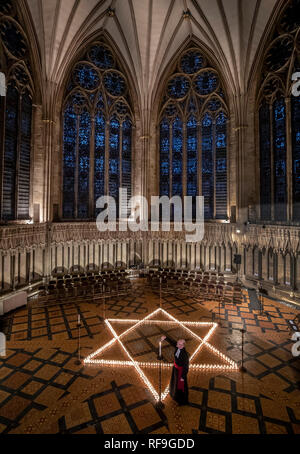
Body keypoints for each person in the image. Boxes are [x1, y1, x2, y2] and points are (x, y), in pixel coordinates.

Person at [160, 335, 189, 405]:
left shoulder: (185, 355)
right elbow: (173, 342)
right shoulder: (177, 346)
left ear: (182, 346)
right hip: (175, 369)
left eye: (178, 344)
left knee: (180, 386)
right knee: (175, 381)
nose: (176, 344)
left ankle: (182, 400)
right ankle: (174, 394)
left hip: (181, 372)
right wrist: (166, 338)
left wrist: (182, 377)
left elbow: (186, 367)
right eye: (177, 343)